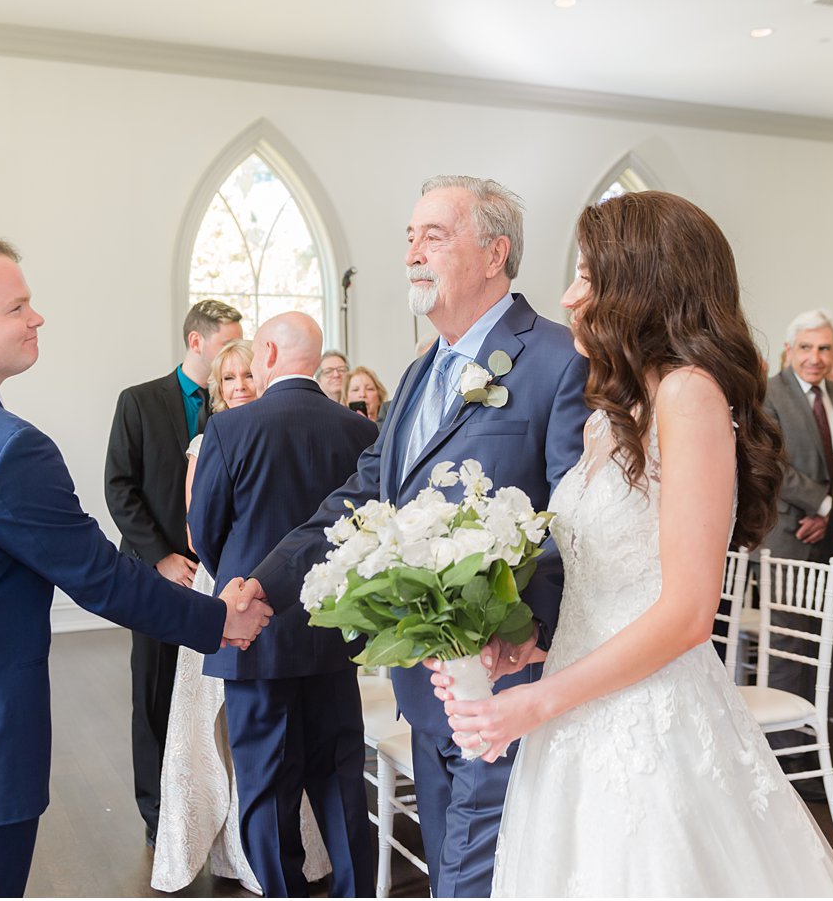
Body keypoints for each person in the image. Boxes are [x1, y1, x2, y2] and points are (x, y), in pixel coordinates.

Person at [429, 191, 833, 896]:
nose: (568, 295)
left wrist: (535, 703)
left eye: (587, 278)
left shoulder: (690, 396)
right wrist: (530, 650)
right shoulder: (616, 414)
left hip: (650, 723)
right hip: (578, 710)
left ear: (642, 286)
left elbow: (688, 613)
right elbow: (609, 581)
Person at [0, 236, 271, 897]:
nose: (37, 318)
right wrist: (222, 622)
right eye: (17, 306)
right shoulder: (5, 447)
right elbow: (101, 575)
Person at [242, 175, 590, 897]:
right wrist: (266, 581)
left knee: (490, 873)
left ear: (495, 254)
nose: (412, 253)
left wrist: (528, 632)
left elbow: (576, 520)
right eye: (409, 237)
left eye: (434, 235)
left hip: (511, 677)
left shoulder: (559, 360)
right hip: (425, 683)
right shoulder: (417, 372)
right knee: (449, 867)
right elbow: (362, 496)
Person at [190, 312, 379, 897]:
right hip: (333, 630)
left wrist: (245, 582)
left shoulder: (232, 430)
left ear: (267, 351)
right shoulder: (358, 431)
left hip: (256, 632)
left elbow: (205, 533)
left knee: (268, 788)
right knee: (342, 780)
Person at [155, 337, 334, 893]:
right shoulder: (208, 440)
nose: (239, 387)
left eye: (246, 377)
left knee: (272, 738)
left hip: (288, 591)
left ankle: (275, 855)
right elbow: (197, 530)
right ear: (217, 390)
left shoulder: (280, 422)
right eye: (228, 380)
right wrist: (234, 583)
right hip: (223, 591)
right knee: (216, 733)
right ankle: (224, 847)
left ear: (263, 374)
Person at [104, 299, 244, 844]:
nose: (236, 353)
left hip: (219, 577)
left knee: (209, 696)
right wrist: (161, 556)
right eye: (227, 340)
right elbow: (120, 487)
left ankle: (218, 805)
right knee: (156, 692)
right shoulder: (138, 402)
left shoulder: (233, 406)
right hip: (154, 573)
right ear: (196, 341)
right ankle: (158, 814)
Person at [759, 309, 833, 789]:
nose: (815, 358)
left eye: (824, 349)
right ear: (789, 350)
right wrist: (822, 504)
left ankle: (818, 744)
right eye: (805, 348)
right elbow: (770, 462)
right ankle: (785, 757)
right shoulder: (767, 394)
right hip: (788, 536)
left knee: (829, 645)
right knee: (788, 643)